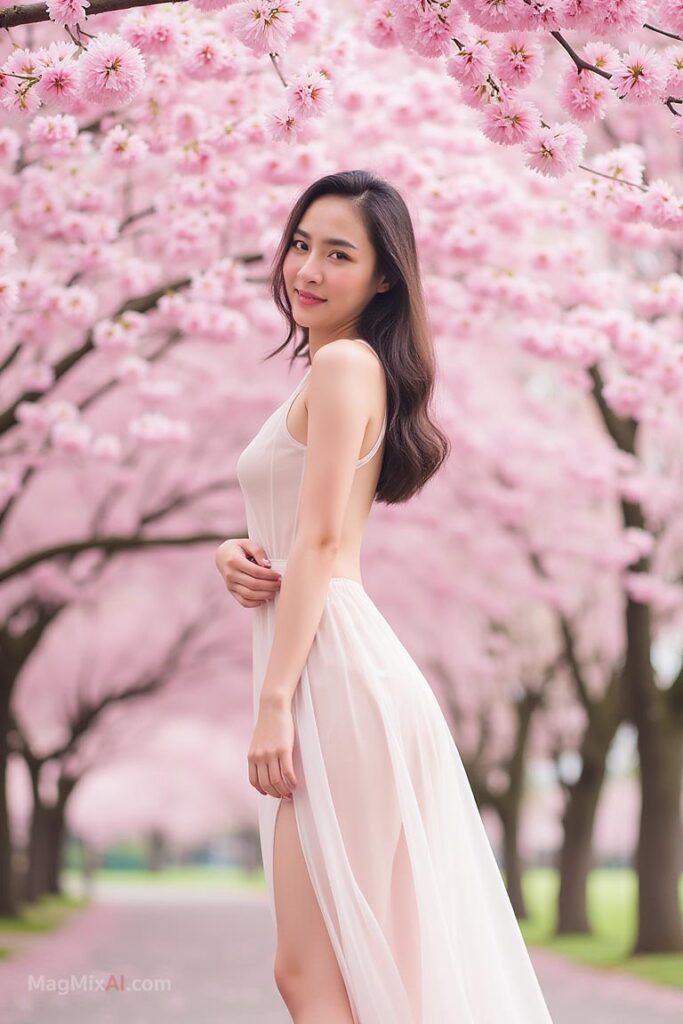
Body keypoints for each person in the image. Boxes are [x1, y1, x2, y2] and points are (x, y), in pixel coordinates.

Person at [216, 170, 554, 1023]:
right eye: (301, 243)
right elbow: (299, 527)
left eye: (338, 254)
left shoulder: (341, 364)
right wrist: (232, 550)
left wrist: (274, 703)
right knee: (363, 965)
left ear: (382, 278)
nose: (307, 268)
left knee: (316, 972)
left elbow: (324, 542)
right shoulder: (330, 370)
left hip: (332, 679)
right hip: (329, 661)